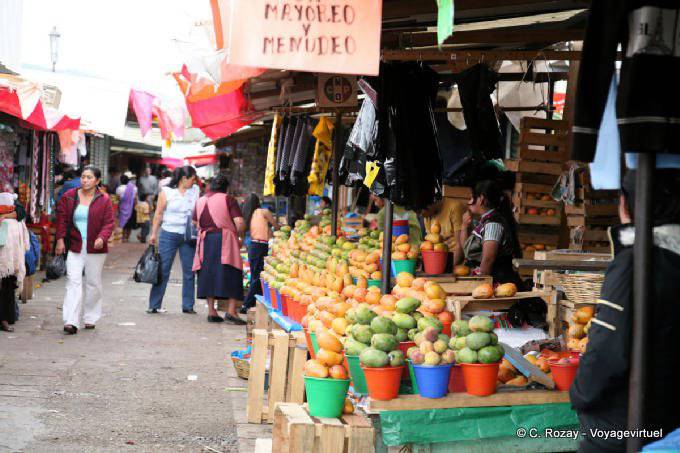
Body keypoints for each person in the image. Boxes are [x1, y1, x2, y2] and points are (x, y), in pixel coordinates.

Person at [570, 170, 680, 453]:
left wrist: (580, 394)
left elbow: (607, 350)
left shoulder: (636, 263)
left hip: (624, 426)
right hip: (667, 419)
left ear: (626, 204)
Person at [55, 166, 115, 335]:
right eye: (83, 177)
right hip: (74, 246)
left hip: (96, 249)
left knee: (93, 283)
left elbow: (109, 223)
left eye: (89, 177)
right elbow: (62, 220)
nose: (85, 180)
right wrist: (60, 240)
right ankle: (71, 321)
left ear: (97, 181)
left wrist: (102, 238)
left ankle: (90, 317)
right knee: (73, 282)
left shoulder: (104, 199)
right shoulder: (69, 196)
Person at [192, 174, 246, 325]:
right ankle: (231, 311)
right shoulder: (228, 199)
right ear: (225, 188)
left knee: (208, 272)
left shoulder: (200, 200)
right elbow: (240, 223)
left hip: (205, 241)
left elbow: (195, 222)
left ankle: (211, 311)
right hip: (225, 238)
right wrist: (240, 237)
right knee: (232, 270)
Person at [148, 166, 199, 314]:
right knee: (163, 269)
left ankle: (188, 305)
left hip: (188, 235)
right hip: (169, 234)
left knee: (189, 271)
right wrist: (153, 234)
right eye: (192, 179)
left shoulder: (194, 190)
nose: (194, 182)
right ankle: (154, 304)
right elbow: (158, 214)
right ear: (184, 179)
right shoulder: (167, 192)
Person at [453, 180, 523, 286]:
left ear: (481, 199)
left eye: (471, 198)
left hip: (497, 282)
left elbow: (488, 260)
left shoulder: (493, 224)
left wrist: (480, 286)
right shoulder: (484, 221)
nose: (468, 202)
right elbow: (466, 249)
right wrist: (464, 226)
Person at [242, 193, 278, 313]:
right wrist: (280, 228)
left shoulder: (249, 215)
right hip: (260, 246)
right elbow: (275, 225)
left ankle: (253, 303)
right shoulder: (263, 212)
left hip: (253, 246)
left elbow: (265, 229)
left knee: (255, 275)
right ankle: (246, 305)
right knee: (258, 277)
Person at [0, 191, 30, 333]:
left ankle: (4, 318)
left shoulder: (10, 200)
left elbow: (21, 212)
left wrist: (6, 215)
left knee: (7, 283)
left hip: (7, 257)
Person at [116, 172, 137, 242]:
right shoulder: (134, 188)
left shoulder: (119, 189)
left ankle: (123, 237)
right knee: (130, 224)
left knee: (123, 223)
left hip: (122, 208)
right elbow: (135, 199)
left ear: (121, 181)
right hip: (131, 208)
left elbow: (118, 199)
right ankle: (127, 237)